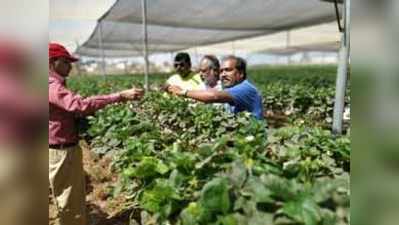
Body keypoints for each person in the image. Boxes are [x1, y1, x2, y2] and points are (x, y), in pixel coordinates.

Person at [48, 43, 144, 225]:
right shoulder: (52, 86)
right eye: (66, 61)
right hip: (62, 153)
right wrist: (119, 96)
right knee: (69, 200)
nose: (70, 65)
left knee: (69, 197)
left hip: (59, 149)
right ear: (52, 63)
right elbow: (80, 106)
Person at [167, 55, 263, 120]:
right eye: (221, 71)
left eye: (228, 70)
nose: (223, 74)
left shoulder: (245, 88)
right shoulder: (230, 89)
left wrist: (183, 92)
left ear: (241, 73)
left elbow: (214, 96)